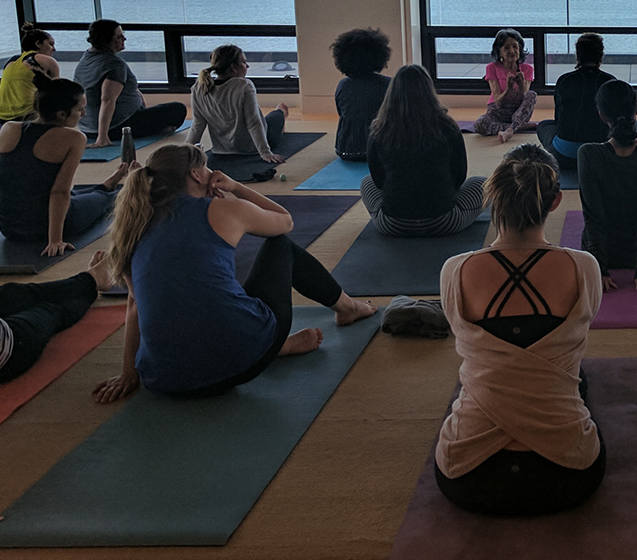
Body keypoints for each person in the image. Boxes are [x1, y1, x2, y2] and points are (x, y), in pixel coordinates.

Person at [92, 144, 376, 402]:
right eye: (206, 167)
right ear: (195, 175)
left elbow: (134, 304)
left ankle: (280, 346)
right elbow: (285, 222)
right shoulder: (224, 208)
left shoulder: (132, 227)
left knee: (209, 289)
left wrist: (129, 373)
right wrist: (237, 188)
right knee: (280, 248)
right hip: (243, 362)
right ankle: (348, 308)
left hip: (165, 380)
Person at [435, 143, 605, 516]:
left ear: (493, 198)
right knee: (578, 375)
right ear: (556, 201)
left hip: (468, 478)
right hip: (567, 476)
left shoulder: (455, 270)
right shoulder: (584, 267)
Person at [0, 75, 130, 255]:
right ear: (61, 114)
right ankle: (109, 189)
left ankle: (104, 185)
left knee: (75, 193)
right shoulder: (74, 139)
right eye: (80, 109)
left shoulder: (8, 128)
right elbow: (59, 191)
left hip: (9, 228)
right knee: (110, 199)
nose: (84, 114)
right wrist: (55, 240)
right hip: (51, 225)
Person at [361, 65, 485, 237]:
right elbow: (459, 175)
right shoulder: (447, 127)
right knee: (484, 183)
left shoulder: (380, 129)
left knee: (366, 182)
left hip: (392, 224)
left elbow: (378, 179)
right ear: (429, 91)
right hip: (445, 221)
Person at [577, 80, 637, 293]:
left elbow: (593, 216)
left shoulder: (587, 154)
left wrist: (599, 268)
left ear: (601, 115)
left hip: (603, 255)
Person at [1, 252, 116, 383]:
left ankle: (90, 279)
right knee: (50, 310)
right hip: (13, 347)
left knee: (11, 293)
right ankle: (91, 282)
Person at [73, 19, 187, 148]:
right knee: (178, 109)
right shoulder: (114, 64)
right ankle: (153, 131)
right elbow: (107, 99)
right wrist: (102, 137)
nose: (124, 39)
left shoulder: (86, 57)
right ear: (106, 39)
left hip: (87, 128)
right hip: (117, 128)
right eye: (119, 37)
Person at [188, 44, 289, 163]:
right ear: (233, 67)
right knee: (278, 115)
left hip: (221, 150)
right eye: (244, 62)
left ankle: (279, 114)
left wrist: (186, 152)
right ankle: (281, 111)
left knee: (266, 120)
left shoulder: (198, 87)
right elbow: (253, 122)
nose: (247, 66)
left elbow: (198, 124)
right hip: (252, 148)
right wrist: (265, 153)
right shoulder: (244, 85)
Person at [537, 33, 615, 173]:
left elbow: (558, 119)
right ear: (600, 56)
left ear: (578, 55)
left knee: (544, 125)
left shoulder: (564, 80)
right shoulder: (609, 81)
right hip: (600, 154)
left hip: (565, 155)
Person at [331, 27, 392, 162]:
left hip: (346, 149)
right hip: (380, 151)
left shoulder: (343, 85)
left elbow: (342, 113)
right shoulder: (388, 84)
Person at [473, 28, 537, 143]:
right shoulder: (492, 67)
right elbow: (497, 101)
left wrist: (520, 85)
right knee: (479, 125)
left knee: (532, 95)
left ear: (520, 49)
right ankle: (519, 126)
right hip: (498, 111)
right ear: (499, 51)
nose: (512, 51)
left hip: (518, 112)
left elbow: (524, 99)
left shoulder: (527, 69)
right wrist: (508, 88)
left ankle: (510, 130)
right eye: (506, 48)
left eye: (515, 47)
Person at [0, 23, 60, 122]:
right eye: (50, 44)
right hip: (26, 115)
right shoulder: (46, 61)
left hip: (2, 116)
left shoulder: (11, 62)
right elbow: (57, 92)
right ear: (38, 44)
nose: (54, 49)